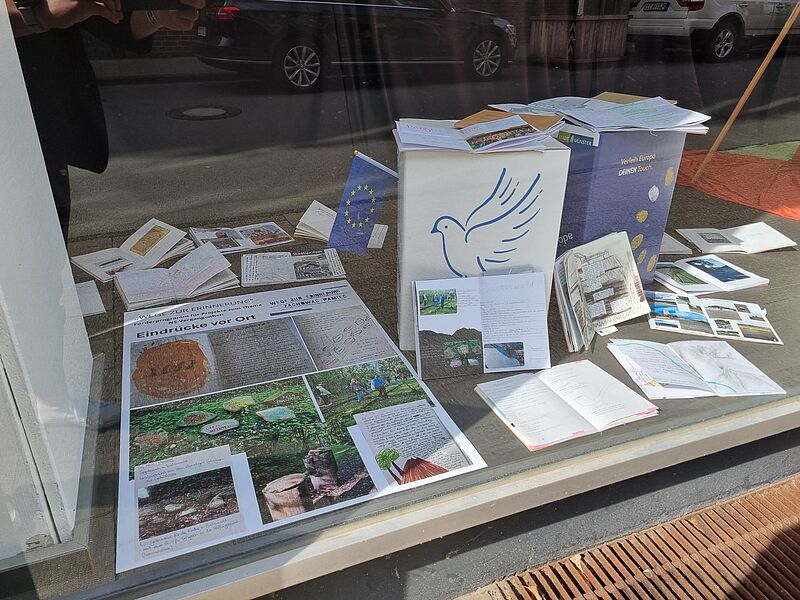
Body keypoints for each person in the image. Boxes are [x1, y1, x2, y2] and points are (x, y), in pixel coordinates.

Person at [6, 0, 204, 239]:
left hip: (45, 138)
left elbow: (111, 22)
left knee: (47, 241)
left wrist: (156, 14)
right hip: (13, 134)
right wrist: (40, 14)